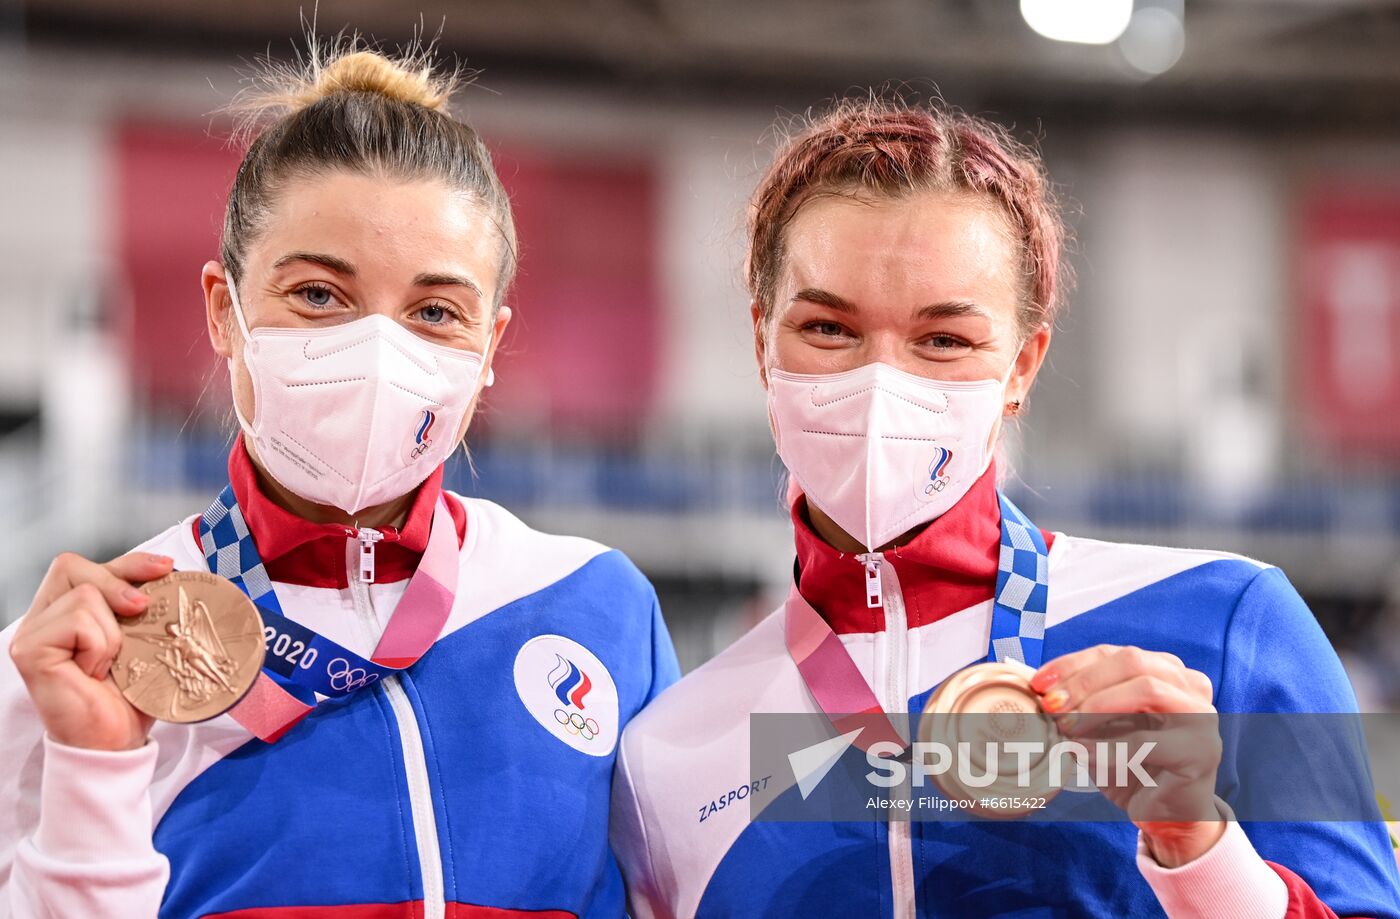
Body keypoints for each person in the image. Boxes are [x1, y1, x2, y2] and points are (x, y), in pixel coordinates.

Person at [610, 98, 1400, 918]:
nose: (882, 382)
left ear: (1022, 365)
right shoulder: (672, 753)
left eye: (944, 339)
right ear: (760, 342)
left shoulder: (1225, 629)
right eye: (827, 327)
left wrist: (1199, 846)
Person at [0, 42, 678, 918]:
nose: (379, 349)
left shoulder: (597, 606)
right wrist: (94, 766)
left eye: (435, 312)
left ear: (490, 348)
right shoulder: (84, 662)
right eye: (319, 295)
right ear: (224, 310)